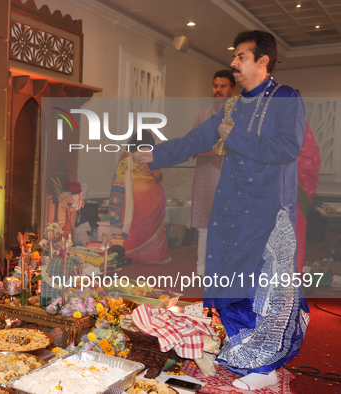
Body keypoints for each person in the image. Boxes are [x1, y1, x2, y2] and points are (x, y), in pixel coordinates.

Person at [135, 30, 308, 390]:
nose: (233, 63)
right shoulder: (232, 106)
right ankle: (246, 354)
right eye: (234, 56)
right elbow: (198, 139)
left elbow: (286, 149)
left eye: (241, 56)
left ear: (263, 60)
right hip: (230, 209)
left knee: (265, 290)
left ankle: (267, 365)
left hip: (268, 211)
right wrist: (156, 154)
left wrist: (234, 136)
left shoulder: (287, 99)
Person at [191, 70, 236, 276]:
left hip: (228, 176)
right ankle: (201, 269)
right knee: (204, 224)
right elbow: (192, 143)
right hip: (204, 175)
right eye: (215, 86)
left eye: (223, 86)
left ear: (232, 89)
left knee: (227, 225)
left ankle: (225, 271)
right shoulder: (202, 114)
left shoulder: (237, 115)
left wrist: (202, 149)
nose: (218, 90)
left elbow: (224, 146)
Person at [109, 130, 170, 264]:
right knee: (151, 226)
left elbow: (119, 176)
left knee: (133, 226)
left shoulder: (126, 156)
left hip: (130, 195)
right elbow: (157, 175)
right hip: (150, 195)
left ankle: (131, 252)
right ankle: (153, 256)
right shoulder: (149, 155)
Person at [294, 91, 321, 274]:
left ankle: (290, 289)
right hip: (269, 193)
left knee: (295, 241)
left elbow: (311, 159)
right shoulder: (270, 126)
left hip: (296, 192)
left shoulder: (302, 127)